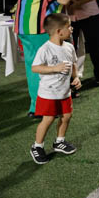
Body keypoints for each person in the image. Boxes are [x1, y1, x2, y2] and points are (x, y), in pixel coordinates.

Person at [15, 0, 81, 118]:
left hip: (24, 28)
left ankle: (35, 108)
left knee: (33, 68)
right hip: (41, 29)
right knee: (48, 69)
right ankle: (44, 109)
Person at [29, 13, 81, 164]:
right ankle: (37, 146)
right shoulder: (45, 49)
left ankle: (59, 141)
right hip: (48, 93)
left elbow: (73, 64)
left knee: (66, 116)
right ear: (59, 31)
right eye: (69, 27)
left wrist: (76, 77)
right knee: (49, 119)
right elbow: (35, 68)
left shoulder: (69, 47)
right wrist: (54, 68)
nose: (71, 29)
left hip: (64, 92)